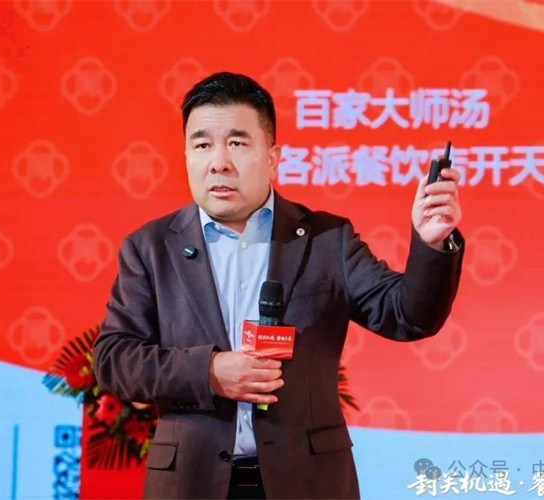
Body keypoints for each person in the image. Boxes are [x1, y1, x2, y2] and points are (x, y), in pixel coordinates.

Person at [93, 71, 464, 499]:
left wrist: (430, 244)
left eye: (237, 143)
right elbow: (114, 359)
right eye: (201, 145)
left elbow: (407, 316)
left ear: (272, 158)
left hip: (306, 483)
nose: (218, 162)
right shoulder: (151, 247)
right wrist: (208, 371)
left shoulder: (326, 240)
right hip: (191, 484)